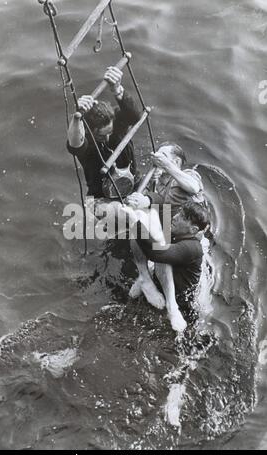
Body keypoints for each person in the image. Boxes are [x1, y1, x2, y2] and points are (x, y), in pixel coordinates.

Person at [129, 202, 209, 332]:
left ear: (193, 230)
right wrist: (145, 200)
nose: (175, 217)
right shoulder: (176, 232)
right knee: (141, 231)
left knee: (156, 245)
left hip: (181, 302)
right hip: (160, 285)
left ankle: (172, 308)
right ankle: (144, 279)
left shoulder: (193, 248)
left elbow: (157, 254)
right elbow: (161, 204)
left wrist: (136, 223)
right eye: (179, 213)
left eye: (182, 217)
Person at [67, 66, 141, 199]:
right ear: (90, 131)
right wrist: (77, 117)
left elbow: (135, 117)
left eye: (110, 132)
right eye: (101, 135)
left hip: (133, 185)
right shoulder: (85, 139)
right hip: (101, 197)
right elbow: (75, 146)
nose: (107, 138)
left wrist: (117, 90)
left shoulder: (117, 121)